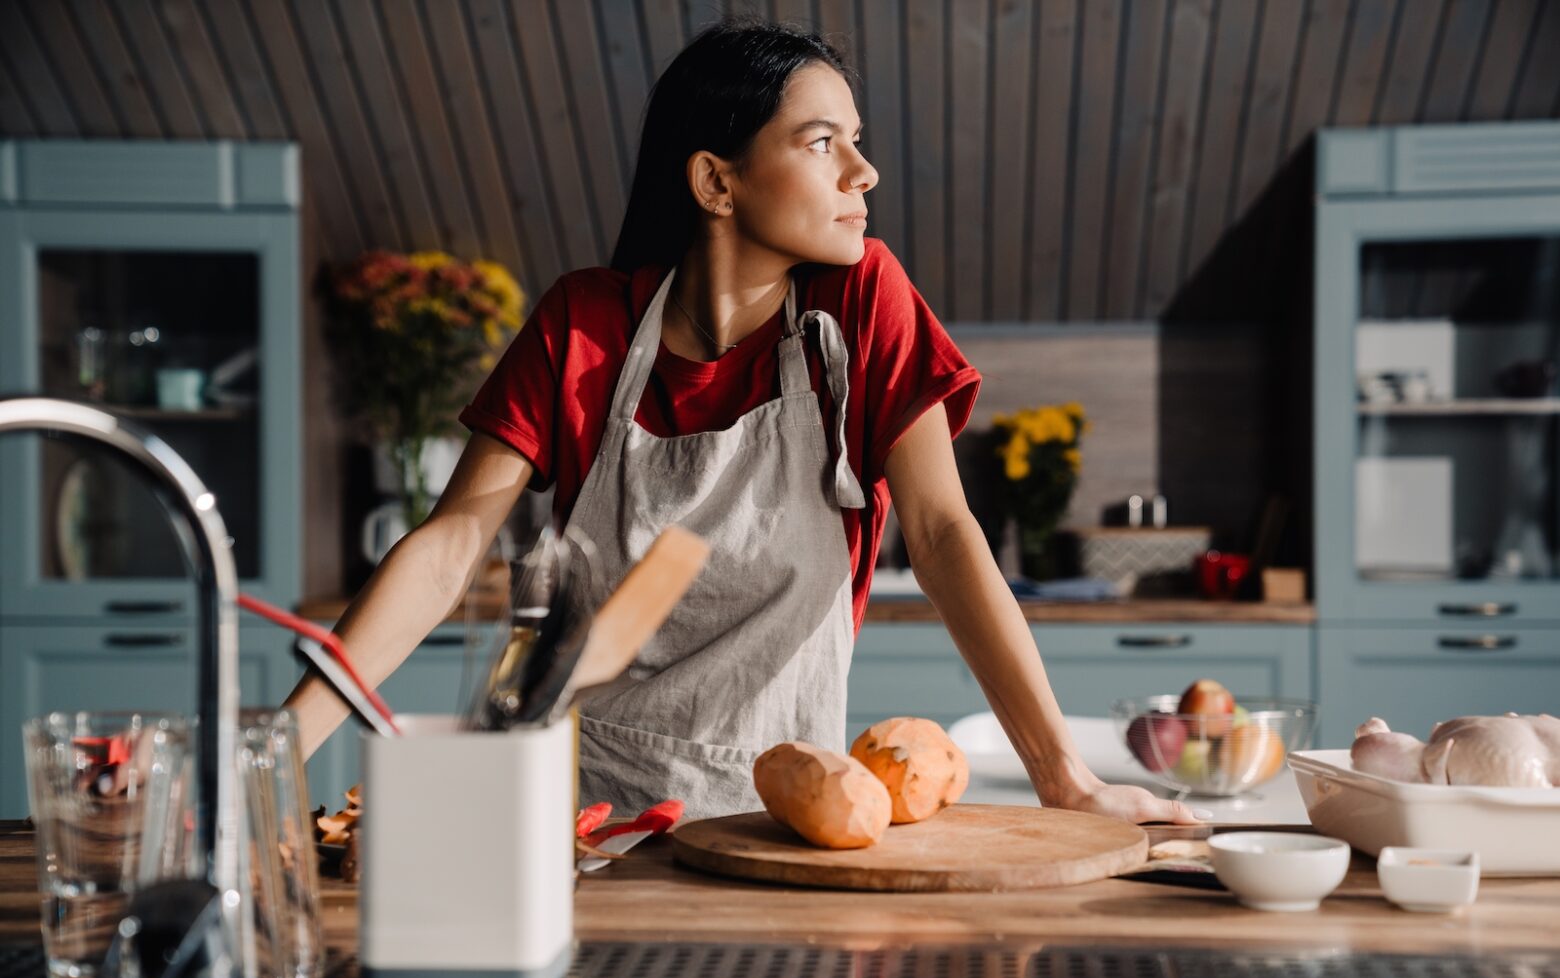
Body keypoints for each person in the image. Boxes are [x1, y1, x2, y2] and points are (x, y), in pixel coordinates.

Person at [284, 21, 1200, 825]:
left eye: (857, 141)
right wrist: (277, 753)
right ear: (717, 182)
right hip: (581, 817)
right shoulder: (585, 325)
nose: (863, 170)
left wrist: (1065, 779)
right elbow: (450, 545)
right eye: (822, 142)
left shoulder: (862, 299)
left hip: (778, 817)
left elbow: (942, 530)